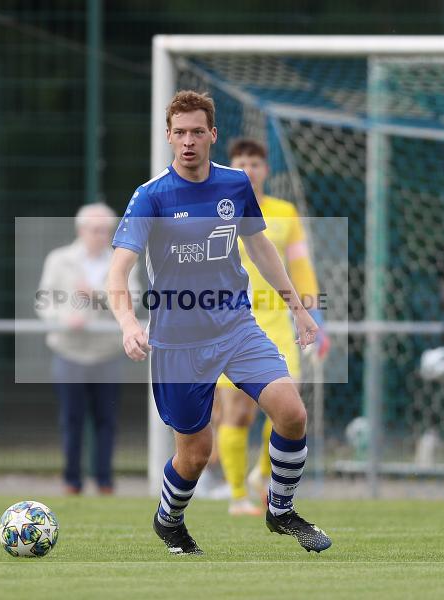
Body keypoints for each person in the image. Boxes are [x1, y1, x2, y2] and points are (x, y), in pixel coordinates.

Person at [106, 90, 331, 555]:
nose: (188, 141)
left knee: (292, 413)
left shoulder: (234, 185)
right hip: (177, 342)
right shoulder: (151, 197)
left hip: (235, 327)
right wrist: (128, 322)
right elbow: (118, 270)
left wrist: (298, 307)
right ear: (168, 137)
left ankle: (280, 510)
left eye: (196, 132)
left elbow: (260, 247)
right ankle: (169, 520)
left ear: (212, 134)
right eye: (179, 133)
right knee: (194, 454)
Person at [213, 138, 329, 516]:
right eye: (241, 163)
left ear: (266, 170)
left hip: (278, 325)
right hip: (231, 324)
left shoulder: (285, 213)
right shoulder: (217, 210)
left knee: (287, 409)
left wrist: (315, 316)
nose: (248, 170)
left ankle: (262, 477)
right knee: (238, 413)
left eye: (255, 164)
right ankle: (236, 496)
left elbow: (301, 267)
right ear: (232, 169)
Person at [37, 203, 135, 495]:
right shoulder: (59, 260)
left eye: (106, 230)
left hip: (107, 353)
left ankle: (104, 481)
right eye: (95, 230)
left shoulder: (123, 260)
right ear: (81, 231)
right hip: (69, 352)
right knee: (71, 419)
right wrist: (65, 319)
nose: (101, 236)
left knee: (107, 419)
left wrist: (97, 297)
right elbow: (44, 303)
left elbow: (136, 298)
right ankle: (72, 481)